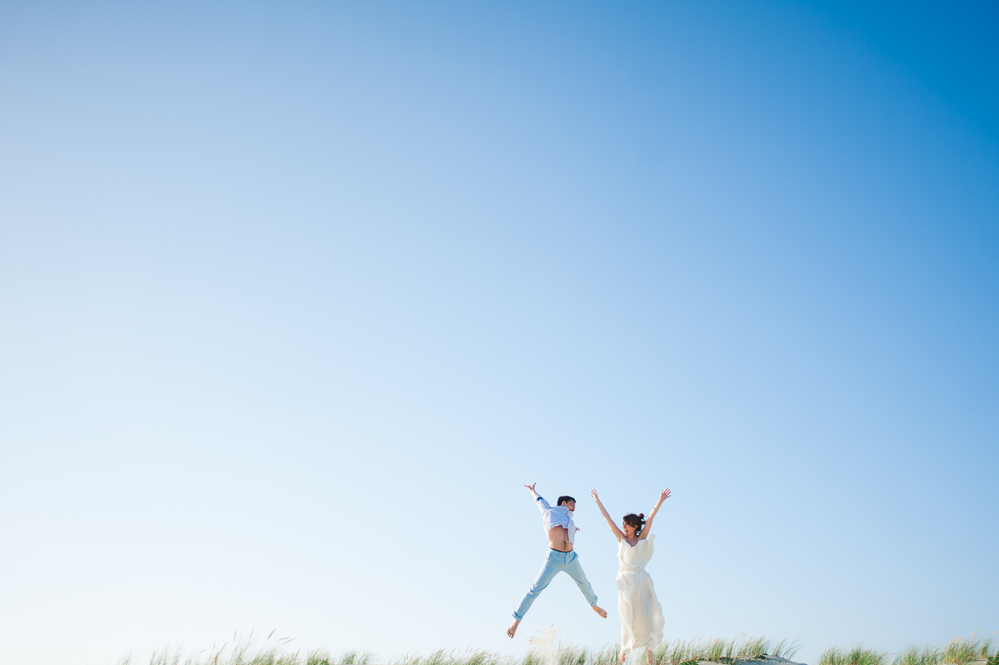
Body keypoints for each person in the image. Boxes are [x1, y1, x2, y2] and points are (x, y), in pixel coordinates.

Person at [507, 483, 608, 638]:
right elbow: (539, 500)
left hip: (571, 558)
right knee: (535, 589)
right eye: (572, 504)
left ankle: (594, 605)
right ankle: (516, 622)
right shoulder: (550, 511)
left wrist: (573, 530)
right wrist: (533, 491)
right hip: (553, 558)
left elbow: (565, 532)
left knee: (584, 584)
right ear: (563, 503)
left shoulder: (570, 519)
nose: (574, 507)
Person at [591, 488, 671, 664]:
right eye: (623, 524)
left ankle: (650, 653)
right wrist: (598, 501)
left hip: (641, 580)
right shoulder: (621, 539)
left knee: (647, 614)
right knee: (626, 615)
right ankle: (625, 649)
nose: (623, 526)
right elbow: (608, 519)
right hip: (625, 581)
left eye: (627, 524)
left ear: (635, 526)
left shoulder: (641, 538)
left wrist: (660, 500)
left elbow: (651, 518)